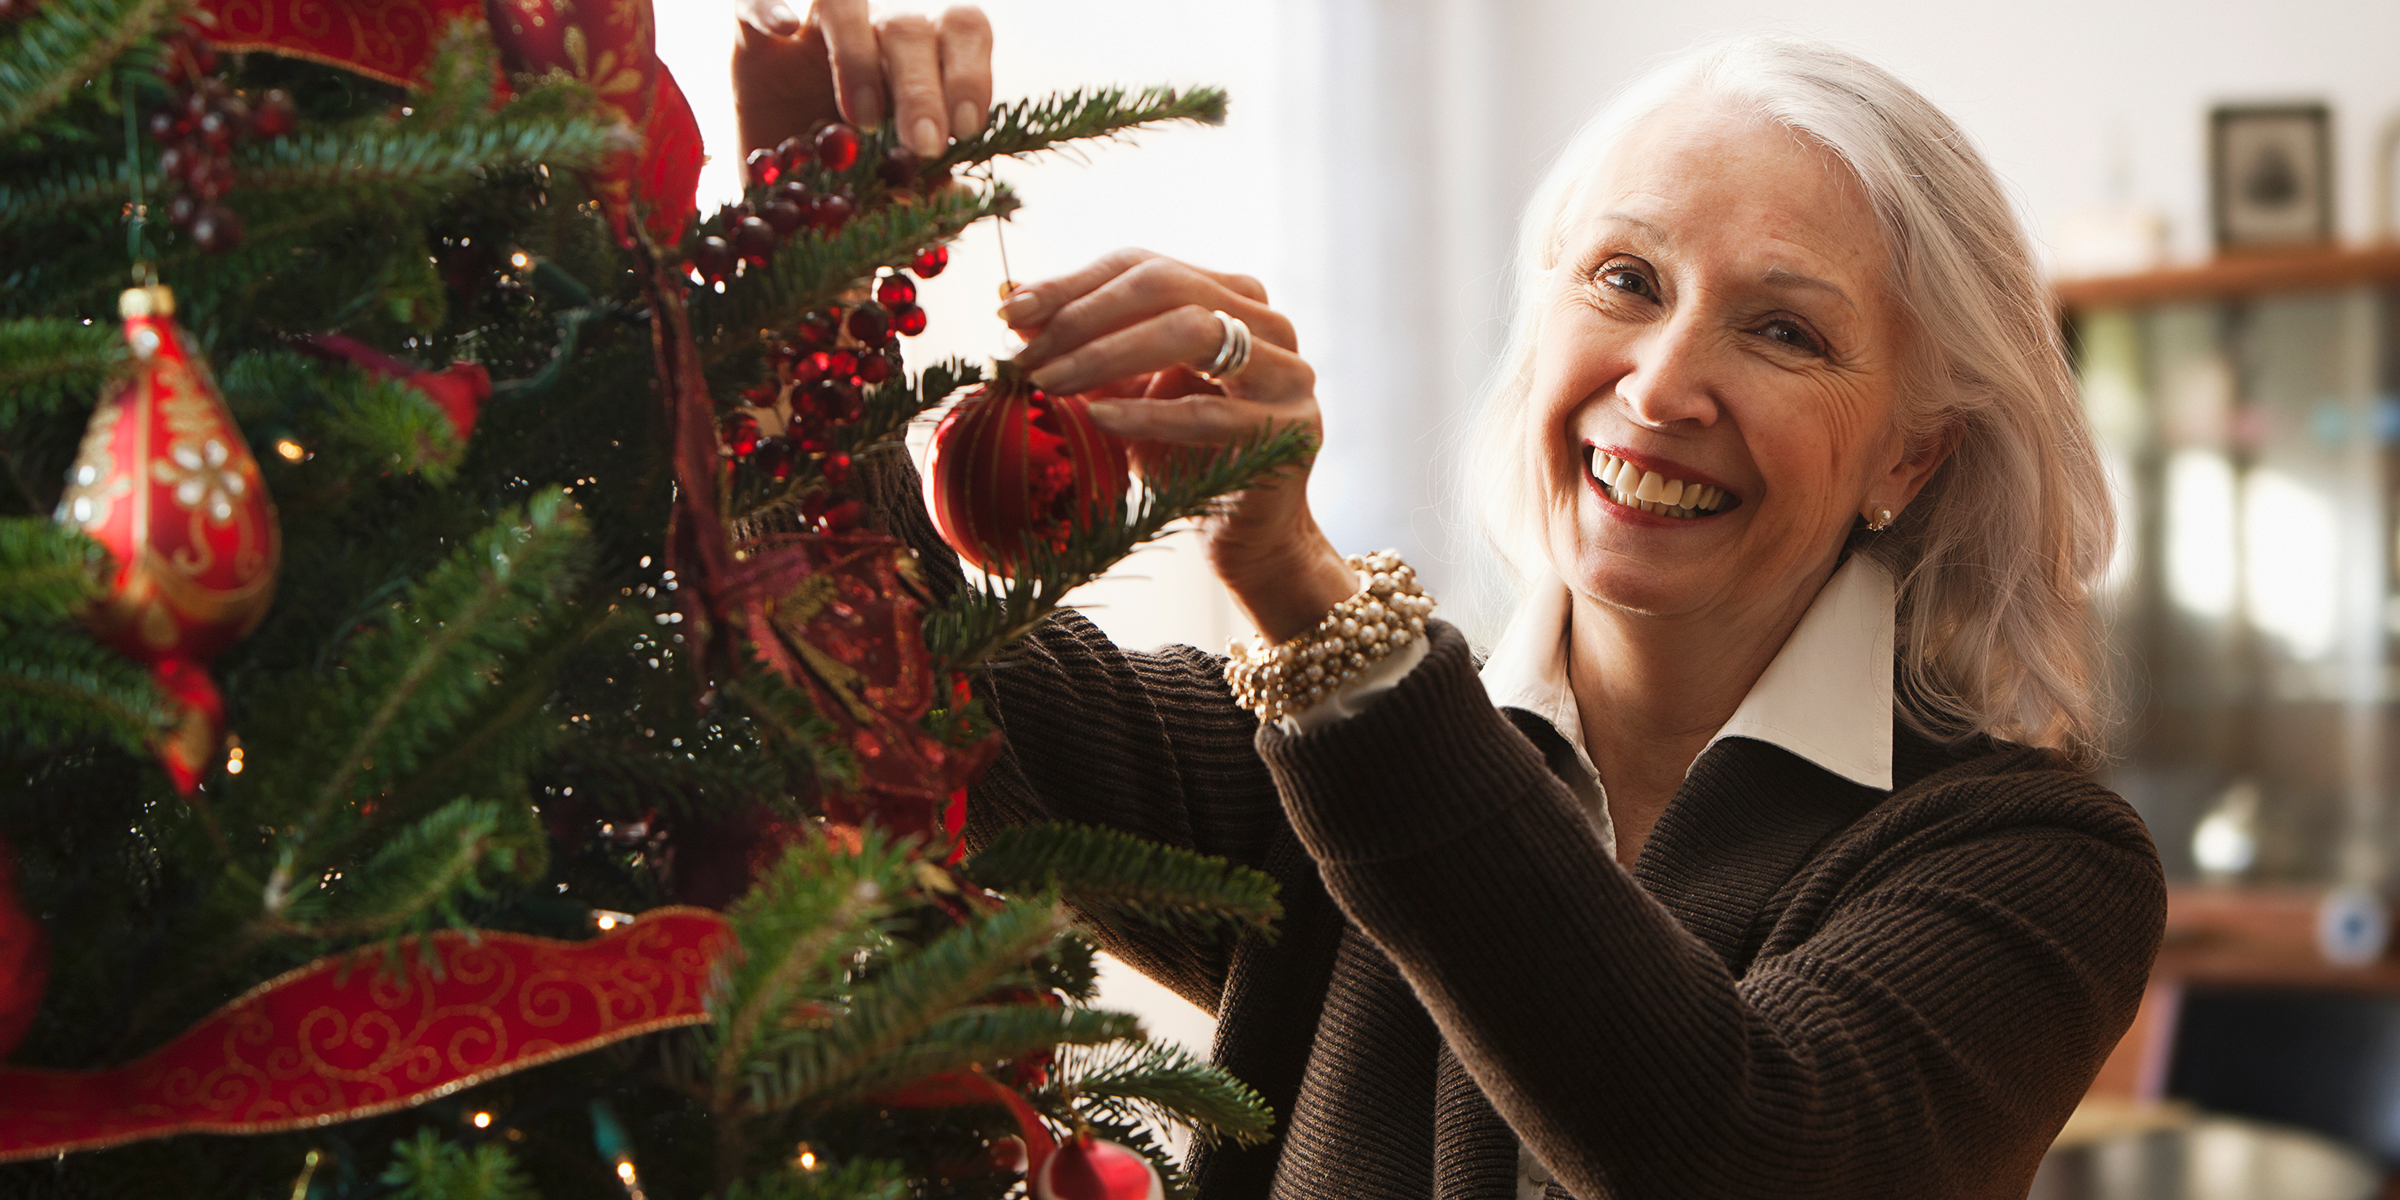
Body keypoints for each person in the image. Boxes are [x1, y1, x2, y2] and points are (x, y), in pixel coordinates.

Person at [734, 13, 2165, 1199]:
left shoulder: (2032, 863)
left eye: (1782, 328)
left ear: (1913, 451)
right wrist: (803, 259)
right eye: (1625, 279)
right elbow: (882, 672)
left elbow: (1747, 1152)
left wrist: (1305, 597)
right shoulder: (1305, 769)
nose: (1661, 387)